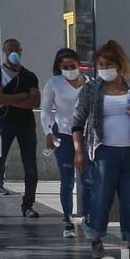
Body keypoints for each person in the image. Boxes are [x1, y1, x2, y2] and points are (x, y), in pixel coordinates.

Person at [71, 40, 130, 255]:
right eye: (100, 65)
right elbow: (77, 121)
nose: (104, 69)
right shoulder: (91, 89)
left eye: (108, 64)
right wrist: (79, 151)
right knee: (101, 197)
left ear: (119, 65)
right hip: (102, 151)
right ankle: (96, 237)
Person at [0, 38, 41, 219]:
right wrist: (22, 97)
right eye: (10, 49)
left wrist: (10, 99)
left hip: (27, 127)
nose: (14, 52)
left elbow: (35, 102)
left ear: (21, 51)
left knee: (30, 167)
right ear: (5, 52)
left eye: (17, 49)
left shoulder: (30, 76)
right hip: (2, 126)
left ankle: (28, 205)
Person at [42, 47, 91, 238]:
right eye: (65, 67)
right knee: (67, 179)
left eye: (73, 66)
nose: (70, 69)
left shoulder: (90, 82)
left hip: (86, 135)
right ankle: (68, 220)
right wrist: (48, 132)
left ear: (79, 65)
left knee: (87, 179)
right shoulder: (54, 83)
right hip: (63, 135)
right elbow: (45, 110)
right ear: (59, 67)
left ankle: (87, 218)